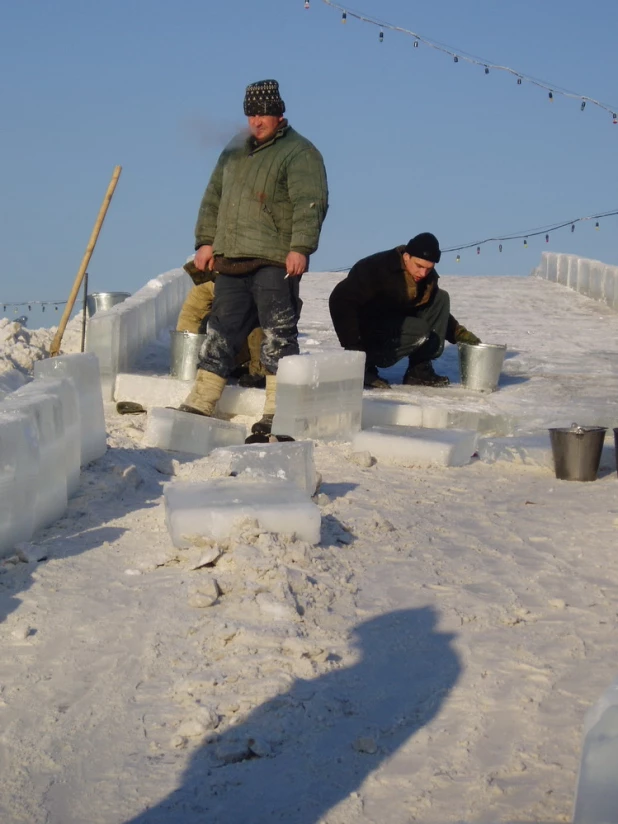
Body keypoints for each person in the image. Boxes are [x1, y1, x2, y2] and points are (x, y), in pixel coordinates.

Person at [179, 79, 329, 437]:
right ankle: (201, 401)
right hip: (232, 257)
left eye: (263, 113)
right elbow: (214, 196)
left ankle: (278, 412)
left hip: (275, 259)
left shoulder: (300, 152)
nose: (256, 121)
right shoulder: (234, 150)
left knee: (278, 333)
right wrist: (205, 241)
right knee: (220, 331)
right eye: (251, 114)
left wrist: (300, 247)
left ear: (279, 113)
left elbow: (310, 202)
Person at [328, 232, 481, 389]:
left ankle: (419, 371)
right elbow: (340, 300)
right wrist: (355, 350)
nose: (423, 273)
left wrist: (461, 335)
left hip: (394, 323)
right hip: (366, 334)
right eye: (419, 266)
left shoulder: (426, 279)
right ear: (406, 256)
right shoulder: (377, 269)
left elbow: (436, 313)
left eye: (429, 268)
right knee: (419, 329)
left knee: (440, 298)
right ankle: (365, 368)